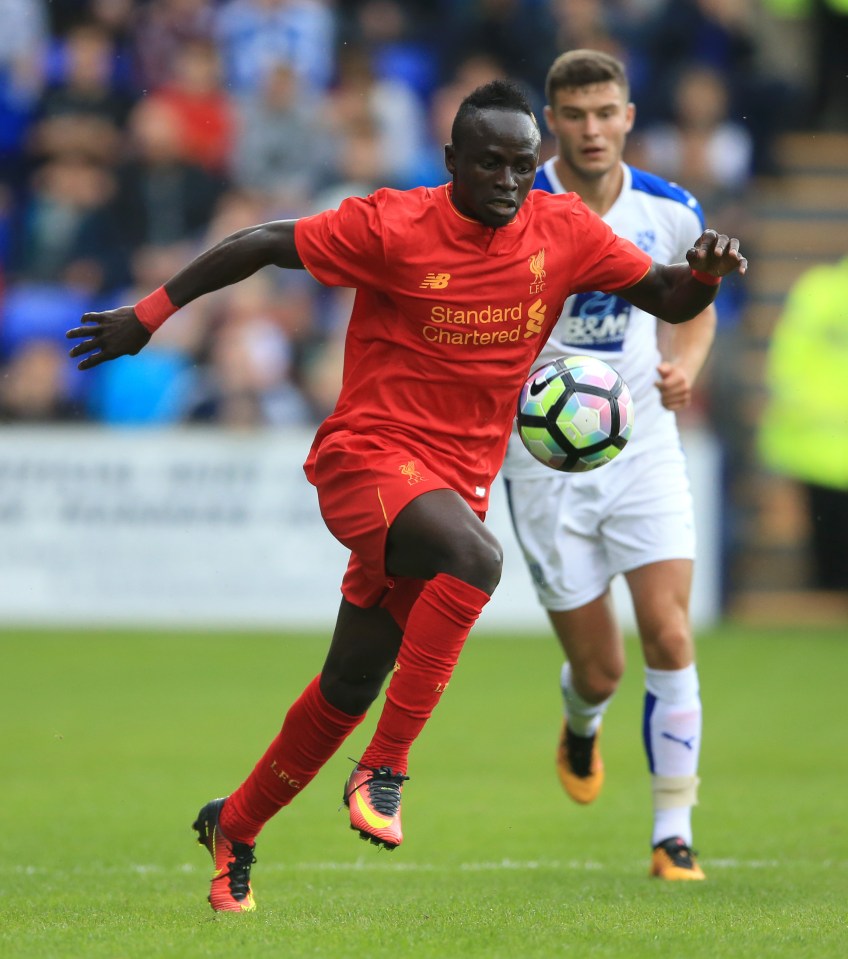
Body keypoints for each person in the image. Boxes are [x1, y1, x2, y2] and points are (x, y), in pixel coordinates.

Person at [66, 79, 746, 912]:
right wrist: (149, 313)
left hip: (455, 485)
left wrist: (705, 278)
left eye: (521, 166)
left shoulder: (564, 230)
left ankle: (233, 826)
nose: (506, 180)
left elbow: (668, 295)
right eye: (488, 163)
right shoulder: (392, 224)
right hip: (366, 460)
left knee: (348, 681)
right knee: (476, 559)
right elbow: (262, 242)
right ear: (452, 161)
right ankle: (387, 765)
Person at [500, 50, 717, 881]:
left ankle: (673, 832)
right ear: (552, 122)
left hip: (643, 441)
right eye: (576, 115)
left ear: (629, 116)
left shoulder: (669, 210)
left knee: (668, 630)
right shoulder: (517, 204)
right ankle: (581, 720)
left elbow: (699, 304)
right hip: (543, 457)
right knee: (602, 667)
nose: (592, 129)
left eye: (606, 113)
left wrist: (684, 363)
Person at [758, 255, 848, 592]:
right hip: (818, 443)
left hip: (815, 441)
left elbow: (786, 358)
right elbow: (789, 359)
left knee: (829, 550)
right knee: (829, 550)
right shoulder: (819, 290)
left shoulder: (818, 288)